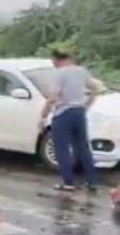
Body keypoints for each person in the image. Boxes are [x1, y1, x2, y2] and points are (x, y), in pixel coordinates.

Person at [39, 50, 101, 192]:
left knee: (62, 150)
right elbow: (96, 88)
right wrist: (87, 104)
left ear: (58, 59)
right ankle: (92, 182)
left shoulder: (60, 73)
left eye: (53, 61)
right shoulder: (82, 71)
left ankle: (68, 183)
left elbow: (53, 98)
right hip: (79, 113)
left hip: (63, 114)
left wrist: (43, 116)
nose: (53, 63)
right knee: (83, 148)